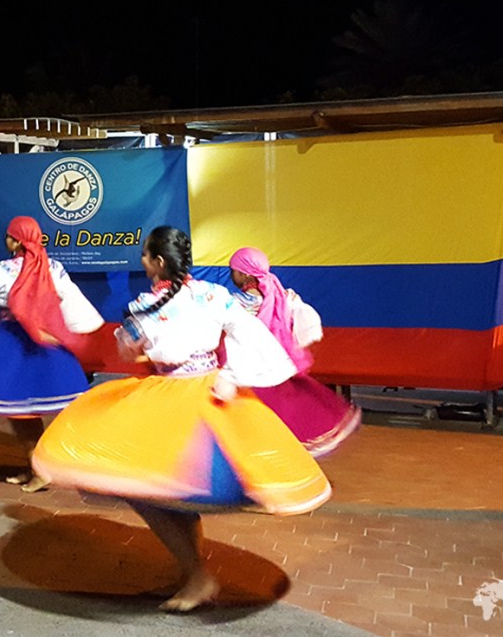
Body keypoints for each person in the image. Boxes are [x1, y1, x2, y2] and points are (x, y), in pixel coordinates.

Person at [32, 226, 332, 612]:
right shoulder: (215, 295)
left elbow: (130, 354)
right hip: (210, 390)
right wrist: (232, 375)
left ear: (158, 262)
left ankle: (196, 575)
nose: (141, 261)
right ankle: (191, 573)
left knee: (152, 490)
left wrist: (136, 342)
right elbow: (254, 336)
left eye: (144, 255)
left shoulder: (144, 307)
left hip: (171, 397)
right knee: (178, 490)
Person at [0, 215, 103, 493]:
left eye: (8, 235)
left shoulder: (0, 271)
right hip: (44, 343)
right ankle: (35, 466)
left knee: (21, 413)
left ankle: (41, 470)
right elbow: (70, 297)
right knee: (24, 412)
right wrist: (82, 327)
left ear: (15, 240)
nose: (6, 240)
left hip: (14, 343)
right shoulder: (52, 267)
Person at [228, 247, 361, 457]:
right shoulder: (284, 296)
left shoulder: (236, 303)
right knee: (286, 421)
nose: (231, 275)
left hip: (250, 374)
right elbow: (309, 323)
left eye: (232, 270)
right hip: (280, 367)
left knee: (250, 425)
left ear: (244, 274)